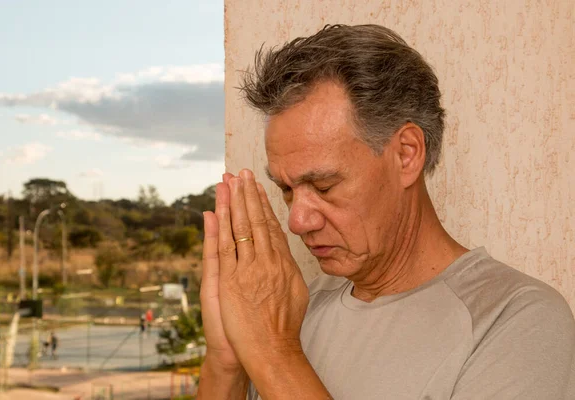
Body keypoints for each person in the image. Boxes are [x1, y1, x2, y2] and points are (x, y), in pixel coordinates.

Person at [197, 24, 575, 399]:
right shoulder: (287, 310)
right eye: (286, 189)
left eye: (325, 186)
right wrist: (225, 360)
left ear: (406, 154)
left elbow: (274, 350)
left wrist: (274, 355)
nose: (298, 221)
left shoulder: (515, 318)